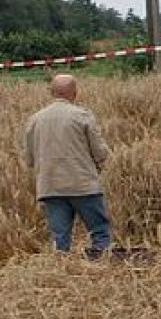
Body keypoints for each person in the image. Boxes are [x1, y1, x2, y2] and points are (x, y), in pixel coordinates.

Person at [23, 74, 113, 256]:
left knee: (60, 239)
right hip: (83, 185)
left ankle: (61, 273)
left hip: (50, 186)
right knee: (100, 231)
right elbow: (100, 152)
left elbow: (29, 158)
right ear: (75, 93)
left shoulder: (35, 119)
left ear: (52, 93)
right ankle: (101, 267)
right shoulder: (82, 116)